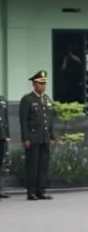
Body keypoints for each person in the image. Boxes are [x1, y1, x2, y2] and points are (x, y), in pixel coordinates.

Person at [20, 70, 57, 202]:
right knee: (33, 166)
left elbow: (50, 120)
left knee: (43, 166)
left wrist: (52, 137)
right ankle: (31, 192)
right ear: (34, 84)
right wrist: (25, 138)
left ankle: (41, 191)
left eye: (44, 84)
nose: (43, 86)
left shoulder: (46, 99)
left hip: (44, 138)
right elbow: (23, 121)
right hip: (33, 138)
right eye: (40, 84)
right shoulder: (27, 100)